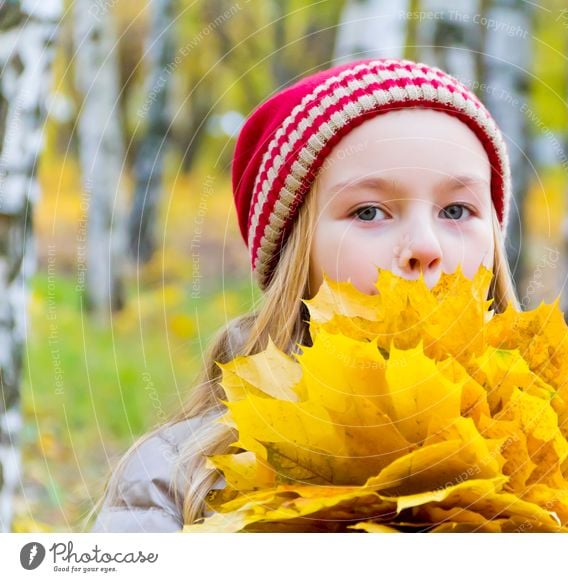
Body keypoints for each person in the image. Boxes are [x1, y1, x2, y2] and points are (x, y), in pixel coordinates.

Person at [88, 57, 520, 532]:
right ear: (295, 255)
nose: (424, 246)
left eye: (456, 210)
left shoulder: (558, 448)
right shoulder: (177, 482)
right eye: (370, 212)